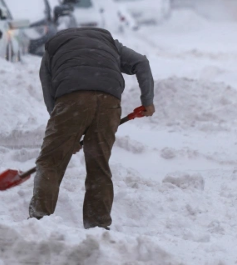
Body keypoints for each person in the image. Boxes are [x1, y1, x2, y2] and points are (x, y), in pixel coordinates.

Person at [29, 27, 155, 229]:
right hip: (109, 100)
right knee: (99, 165)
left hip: (72, 99)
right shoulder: (110, 44)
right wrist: (147, 100)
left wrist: (66, 134)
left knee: (50, 162)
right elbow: (141, 62)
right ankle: (98, 226)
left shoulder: (53, 49)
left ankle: (39, 222)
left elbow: (48, 91)